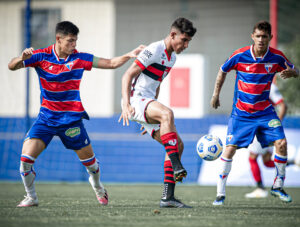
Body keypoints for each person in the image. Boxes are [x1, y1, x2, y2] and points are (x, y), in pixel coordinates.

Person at [8, 21, 144, 207]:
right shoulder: (40, 56)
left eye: (75, 41)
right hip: (46, 119)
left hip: (71, 120)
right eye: (70, 41)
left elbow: (110, 63)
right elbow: (12, 66)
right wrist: (21, 58)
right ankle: (31, 197)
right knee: (25, 160)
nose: (74, 45)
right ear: (58, 39)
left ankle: (98, 187)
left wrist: (129, 55)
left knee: (91, 165)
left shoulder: (79, 58)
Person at [210, 20, 299, 205]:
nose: (260, 40)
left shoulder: (276, 57)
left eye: (264, 37)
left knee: (281, 143)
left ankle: (278, 186)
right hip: (241, 113)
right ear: (252, 36)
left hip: (265, 112)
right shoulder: (240, 55)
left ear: (270, 38)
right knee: (229, 150)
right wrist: (215, 95)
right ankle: (220, 193)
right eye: (257, 36)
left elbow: (295, 69)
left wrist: (294, 72)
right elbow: (222, 70)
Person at [119, 17, 196, 208]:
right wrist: (127, 105)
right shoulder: (154, 49)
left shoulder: (172, 58)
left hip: (147, 103)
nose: (186, 45)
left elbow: (157, 84)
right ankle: (177, 166)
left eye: (188, 41)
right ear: (172, 35)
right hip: (135, 100)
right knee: (168, 114)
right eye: (184, 40)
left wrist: (152, 115)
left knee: (177, 145)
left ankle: (167, 198)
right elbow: (127, 75)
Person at [245, 83, 288, 198]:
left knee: (252, 157)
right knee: (267, 161)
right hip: (264, 126)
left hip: (263, 127)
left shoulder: (269, 86)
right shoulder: (255, 82)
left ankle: (260, 188)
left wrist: (275, 126)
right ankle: (293, 162)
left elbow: (283, 105)